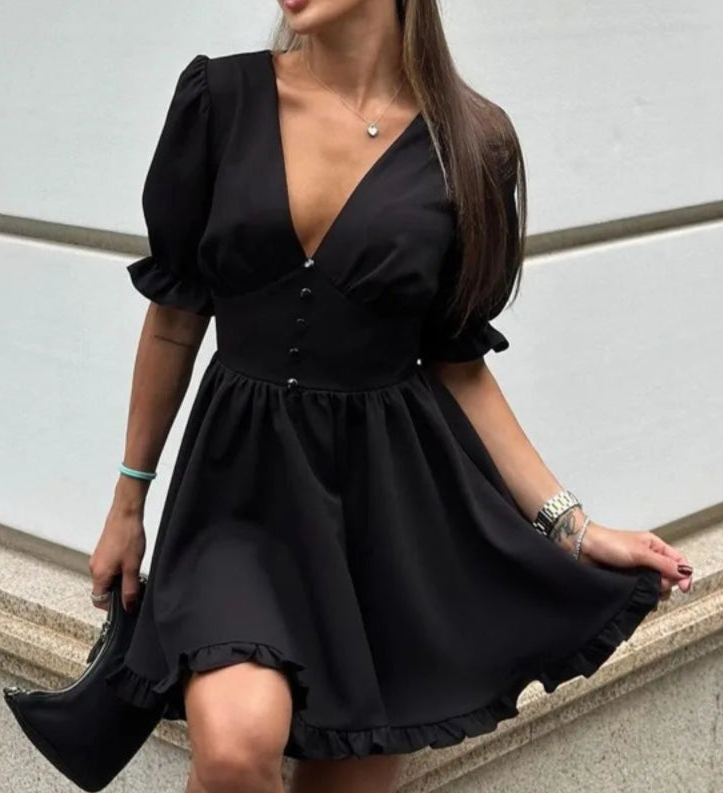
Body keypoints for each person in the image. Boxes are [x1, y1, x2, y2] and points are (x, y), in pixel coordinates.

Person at [89, 1, 694, 791]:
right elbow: (174, 318)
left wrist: (573, 528)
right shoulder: (220, 100)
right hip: (238, 497)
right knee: (237, 746)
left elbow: (459, 361)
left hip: (384, 516)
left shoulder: (472, 144)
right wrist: (128, 499)